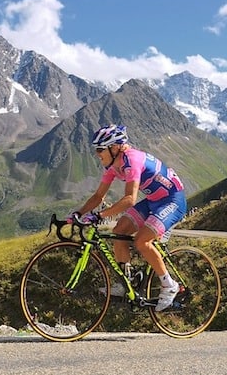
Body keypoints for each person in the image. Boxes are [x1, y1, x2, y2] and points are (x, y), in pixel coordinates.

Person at [71, 124, 187, 312]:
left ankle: (169, 284)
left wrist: (99, 216)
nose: (97, 153)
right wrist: (78, 213)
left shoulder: (132, 160)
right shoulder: (113, 166)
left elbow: (130, 200)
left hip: (172, 201)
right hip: (153, 201)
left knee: (142, 241)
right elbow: (98, 196)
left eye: (100, 149)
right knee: (119, 231)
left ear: (114, 147)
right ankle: (128, 281)